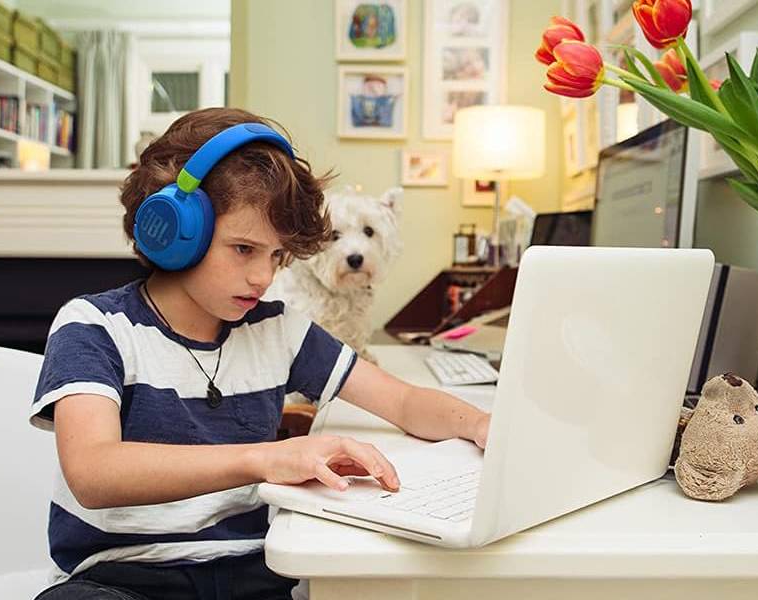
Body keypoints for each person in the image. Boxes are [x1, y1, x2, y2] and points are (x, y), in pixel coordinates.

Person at [30, 107, 490, 600]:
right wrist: (265, 459)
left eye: (276, 256)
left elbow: (402, 401)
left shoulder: (278, 329)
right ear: (175, 233)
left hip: (253, 573)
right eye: (244, 249)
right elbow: (94, 472)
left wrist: (483, 425)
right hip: (120, 578)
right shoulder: (95, 325)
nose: (263, 277)